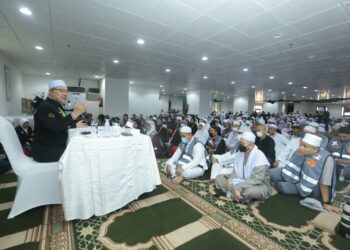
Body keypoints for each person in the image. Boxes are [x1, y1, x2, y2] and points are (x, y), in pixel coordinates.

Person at [270, 133, 337, 213]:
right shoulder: (300, 151)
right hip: (290, 176)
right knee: (268, 173)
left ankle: (273, 184)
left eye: (305, 146)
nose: (301, 148)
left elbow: (324, 183)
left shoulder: (326, 160)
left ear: (315, 149)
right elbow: (293, 165)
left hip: (305, 188)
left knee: (282, 187)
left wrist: (326, 203)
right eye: (301, 144)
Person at [31, 80, 88, 163]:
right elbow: (56, 127)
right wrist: (74, 113)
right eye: (61, 90)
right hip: (46, 151)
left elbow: (61, 123)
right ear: (50, 92)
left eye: (66, 91)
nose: (65, 94)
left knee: (82, 148)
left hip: (55, 147)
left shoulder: (57, 106)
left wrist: (74, 125)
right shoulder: (45, 106)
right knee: (82, 154)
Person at [215, 131, 272, 204]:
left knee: (248, 191)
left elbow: (256, 180)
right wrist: (230, 180)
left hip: (258, 184)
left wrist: (238, 187)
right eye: (240, 142)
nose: (240, 145)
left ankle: (235, 193)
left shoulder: (259, 157)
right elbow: (236, 171)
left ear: (250, 145)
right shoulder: (240, 153)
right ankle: (238, 195)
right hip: (241, 180)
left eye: (242, 143)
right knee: (219, 178)